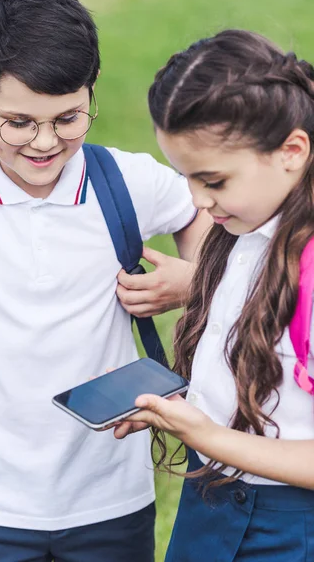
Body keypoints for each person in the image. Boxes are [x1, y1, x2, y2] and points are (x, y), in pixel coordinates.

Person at [0, 0, 210, 562]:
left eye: (68, 118)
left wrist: (195, 280)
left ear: (90, 94)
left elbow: (212, 218)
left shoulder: (130, 181)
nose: (46, 142)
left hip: (110, 489)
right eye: (18, 122)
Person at [116, 29, 314, 560]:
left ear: (292, 150)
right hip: (212, 499)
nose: (200, 202)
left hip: (288, 521)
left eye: (214, 180)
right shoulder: (248, 230)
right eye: (187, 180)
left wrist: (206, 435)